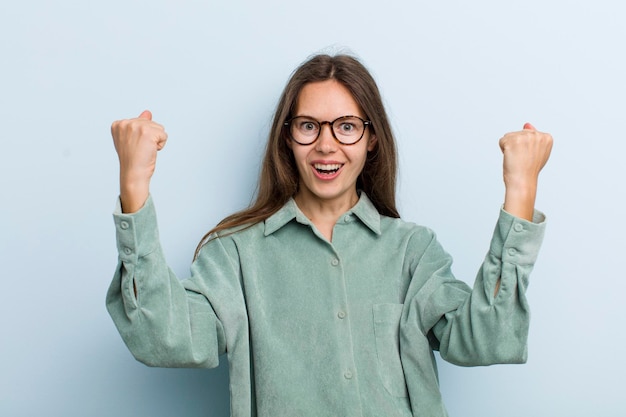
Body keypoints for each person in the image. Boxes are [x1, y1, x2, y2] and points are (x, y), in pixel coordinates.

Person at [107, 53, 552, 417]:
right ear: (287, 138)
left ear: (370, 138)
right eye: (308, 126)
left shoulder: (412, 251)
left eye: (346, 126)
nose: (326, 145)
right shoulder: (235, 256)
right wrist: (134, 188)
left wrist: (520, 190)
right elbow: (165, 339)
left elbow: (485, 340)